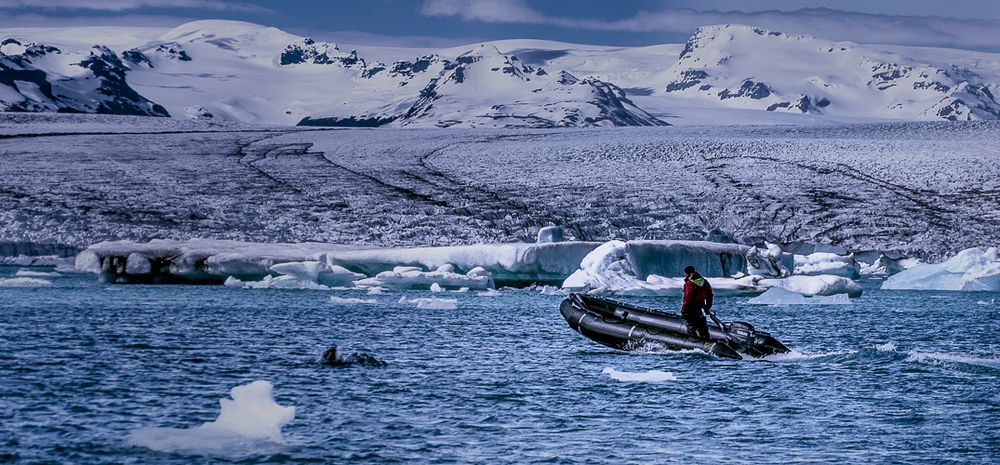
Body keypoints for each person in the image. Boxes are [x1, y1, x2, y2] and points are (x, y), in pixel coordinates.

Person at [681, 265, 713, 340]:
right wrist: (707, 307)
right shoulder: (704, 281)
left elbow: (688, 298)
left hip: (690, 308)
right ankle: (707, 341)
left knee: (691, 326)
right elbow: (709, 295)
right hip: (700, 307)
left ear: (687, 273)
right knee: (702, 327)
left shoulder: (689, 283)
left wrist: (684, 310)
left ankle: (693, 343)